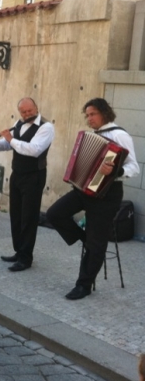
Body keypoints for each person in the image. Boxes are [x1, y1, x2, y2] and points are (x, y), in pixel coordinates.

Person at [46, 98, 139, 300]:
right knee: (54, 214)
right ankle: (84, 238)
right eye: (87, 115)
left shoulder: (119, 135)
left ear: (104, 113)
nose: (89, 119)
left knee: (97, 243)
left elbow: (134, 167)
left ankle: (84, 285)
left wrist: (115, 171)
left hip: (107, 195)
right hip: (84, 191)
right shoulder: (92, 135)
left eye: (93, 114)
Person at [0, 98, 55, 272]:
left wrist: (10, 139)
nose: (27, 114)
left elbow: (34, 149)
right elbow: (10, 145)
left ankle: (26, 258)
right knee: (16, 215)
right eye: (23, 112)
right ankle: (18, 251)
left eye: (29, 111)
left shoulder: (46, 127)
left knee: (29, 217)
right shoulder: (19, 123)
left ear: (36, 108)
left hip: (34, 176)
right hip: (17, 174)